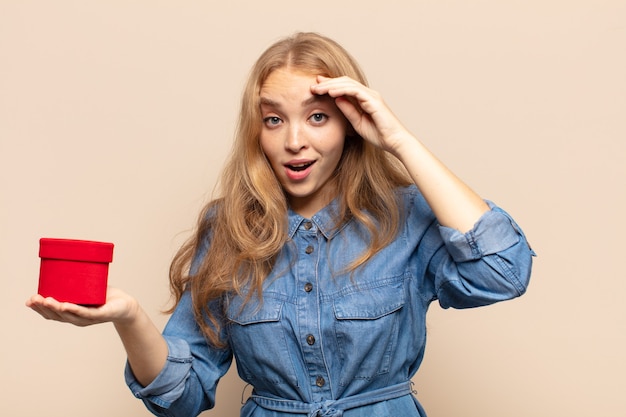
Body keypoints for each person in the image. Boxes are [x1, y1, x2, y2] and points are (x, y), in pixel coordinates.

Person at [26, 32, 535, 417]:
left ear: (351, 123)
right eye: (274, 120)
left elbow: (503, 273)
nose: (294, 141)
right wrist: (129, 317)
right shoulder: (226, 229)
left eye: (317, 117)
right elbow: (180, 398)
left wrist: (399, 140)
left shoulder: (404, 217)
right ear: (257, 131)